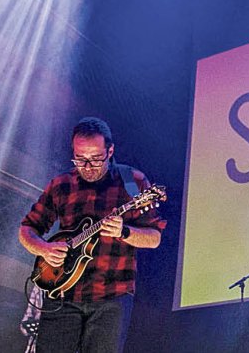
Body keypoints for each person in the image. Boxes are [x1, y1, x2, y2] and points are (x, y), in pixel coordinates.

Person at [19, 117, 165, 353]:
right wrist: (43, 249)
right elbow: (27, 229)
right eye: (80, 159)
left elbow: (154, 237)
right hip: (61, 294)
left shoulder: (132, 182)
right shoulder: (61, 185)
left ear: (110, 151)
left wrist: (125, 231)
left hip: (111, 296)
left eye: (96, 159)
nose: (87, 167)